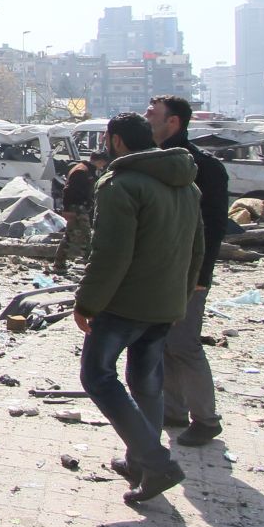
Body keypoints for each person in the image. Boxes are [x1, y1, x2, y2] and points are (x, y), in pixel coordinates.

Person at [73, 113, 204, 505]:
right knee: (146, 383)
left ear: (115, 141)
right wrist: (181, 298)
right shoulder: (186, 185)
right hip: (165, 303)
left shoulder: (121, 185)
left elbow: (111, 254)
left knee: (98, 376)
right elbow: (195, 249)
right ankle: (140, 463)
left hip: (125, 303)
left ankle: (155, 461)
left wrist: (87, 302)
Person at [145, 94, 229, 447]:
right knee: (162, 342)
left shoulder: (201, 166)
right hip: (163, 271)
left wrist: (200, 276)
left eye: (152, 115)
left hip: (187, 274)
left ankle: (206, 419)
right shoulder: (158, 161)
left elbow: (211, 228)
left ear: (173, 122)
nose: (146, 120)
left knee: (184, 343)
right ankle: (174, 410)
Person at [53, 152, 105, 272]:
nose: (102, 166)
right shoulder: (82, 171)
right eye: (102, 163)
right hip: (77, 208)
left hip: (79, 207)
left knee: (70, 236)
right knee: (87, 236)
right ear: (99, 161)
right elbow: (68, 190)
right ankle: (91, 265)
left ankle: (59, 263)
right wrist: (66, 209)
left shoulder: (85, 169)